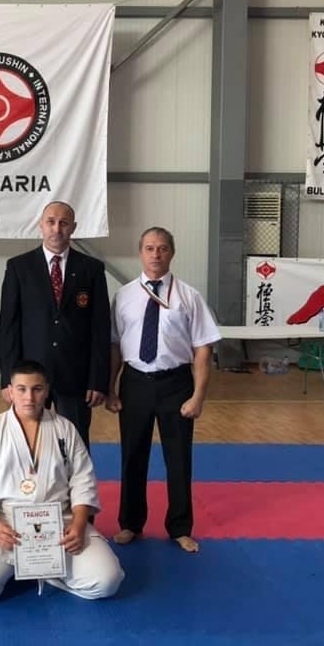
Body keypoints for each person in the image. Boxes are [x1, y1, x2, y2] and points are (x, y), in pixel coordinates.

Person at [0, 359, 124, 602]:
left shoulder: (65, 429)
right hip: (5, 522)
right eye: (21, 389)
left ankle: (47, 570)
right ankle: (28, 566)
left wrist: (79, 523)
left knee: (106, 582)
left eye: (37, 389)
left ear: (47, 390)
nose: (29, 397)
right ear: (10, 391)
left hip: (59, 522)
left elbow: (83, 479)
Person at [106, 227, 220, 553]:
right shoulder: (124, 296)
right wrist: (111, 388)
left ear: (172, 253)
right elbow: (115, 346)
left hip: (176, 383)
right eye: (150, 248)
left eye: (162, 248)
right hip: (135, 382)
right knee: (132, 456)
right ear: (140, 252)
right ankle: (130, 523)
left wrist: (198, 396)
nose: (156, 254)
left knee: (179, 458)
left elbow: (203, 349)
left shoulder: (189, 296)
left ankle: (180, 527)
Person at [0, 201, 110, 451]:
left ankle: (73, 480)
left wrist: (97, 379)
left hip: (76, 376)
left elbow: (100, 328)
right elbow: (8, 328)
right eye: (51, 222)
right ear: (41, 225)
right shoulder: (19, 267)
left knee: (75, 446)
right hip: (29, 378)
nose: (57, 229)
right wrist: (8, 378)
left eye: (63, 223)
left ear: (74, 228)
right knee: (27, 444)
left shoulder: (91, 269)